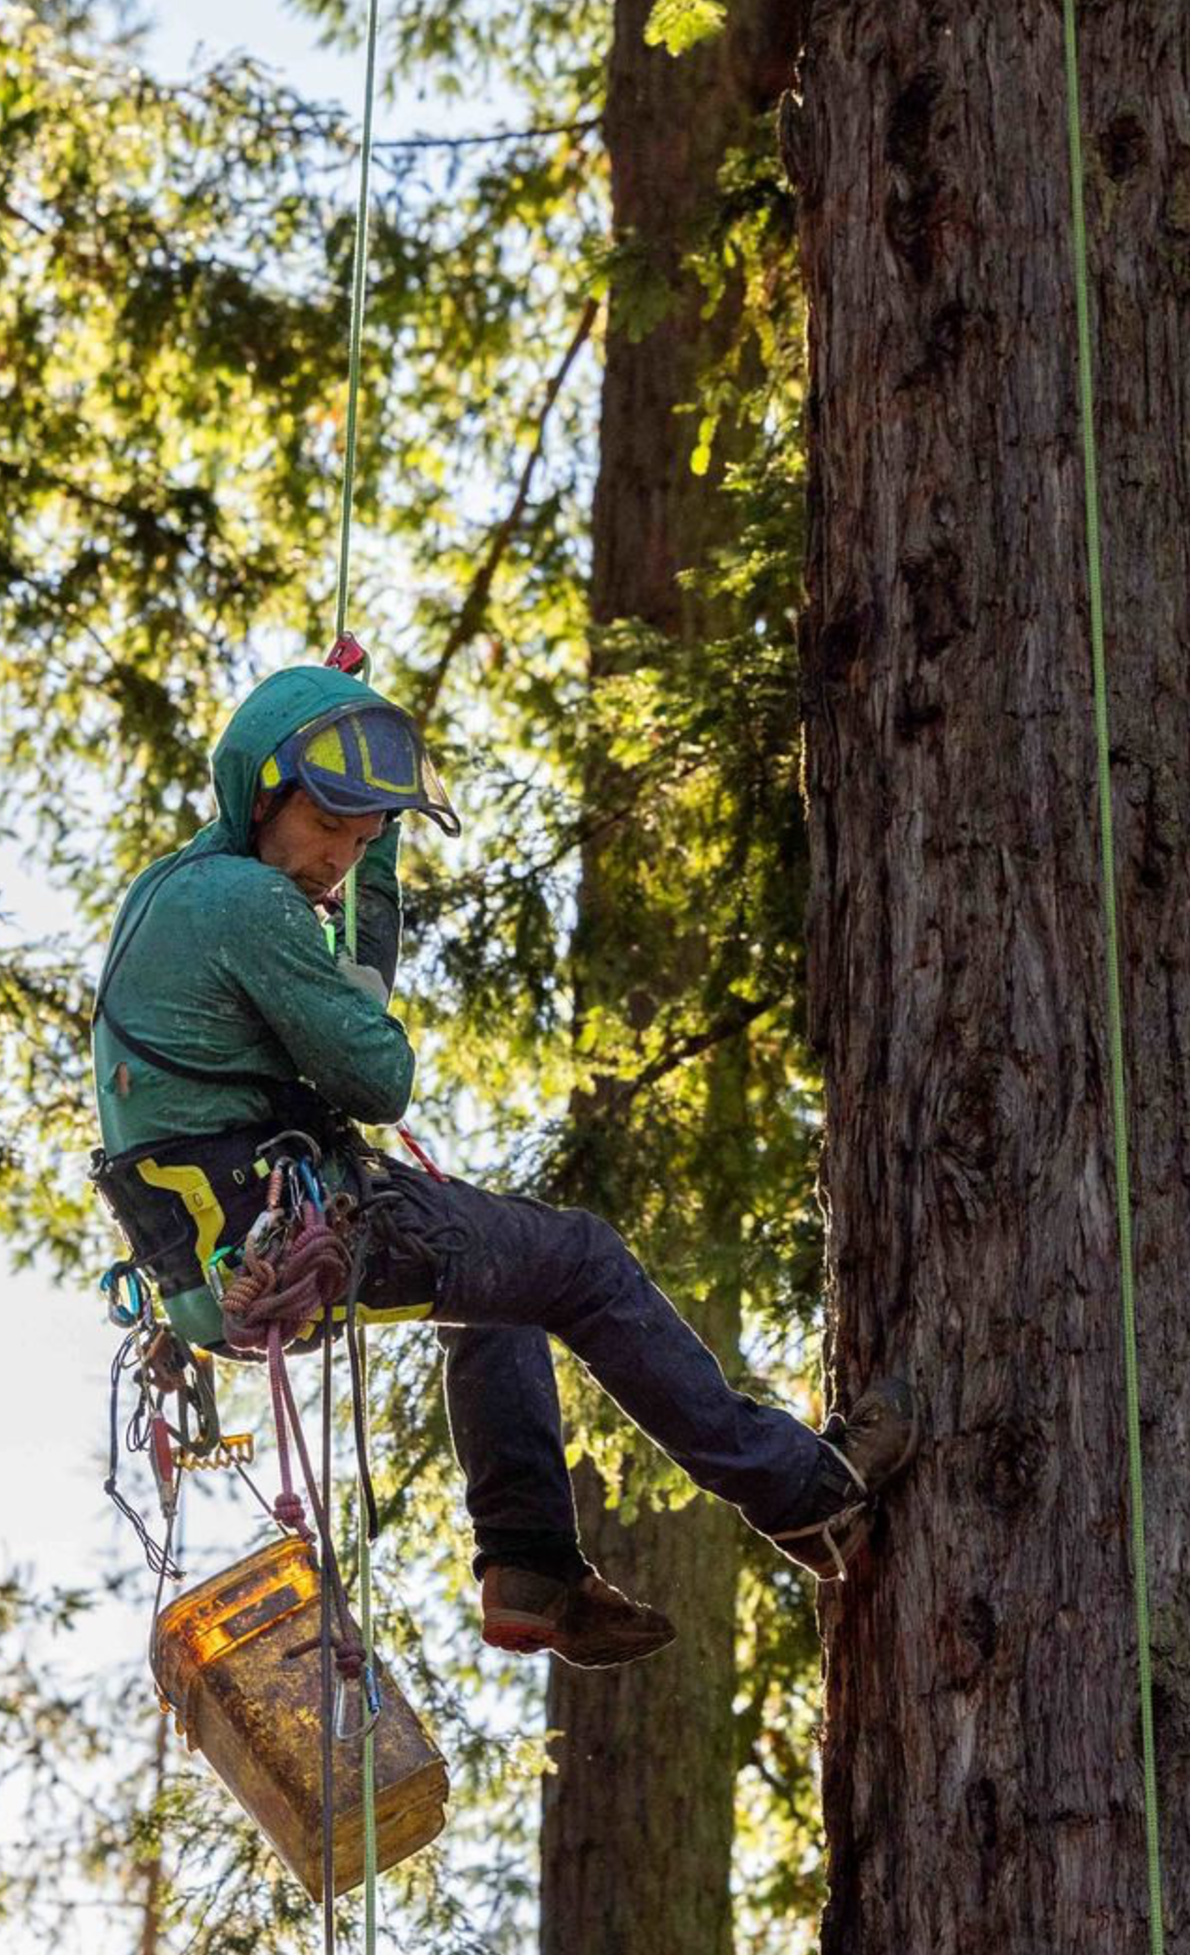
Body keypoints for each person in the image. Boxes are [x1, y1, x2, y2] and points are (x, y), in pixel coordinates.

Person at [89, 658, 918, 1668]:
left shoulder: (175, 891)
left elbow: (351, 996)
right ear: (262, 794)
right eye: (328, 826)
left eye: (364, 838)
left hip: (223, 1257)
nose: (338, 860)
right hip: (280, 1231)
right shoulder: (249, 902)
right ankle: (808, 1496)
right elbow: (378, 1073)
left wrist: (375, 852)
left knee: (505, 1284)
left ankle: (529, 1565)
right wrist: (354, 978)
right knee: (582, 1261)